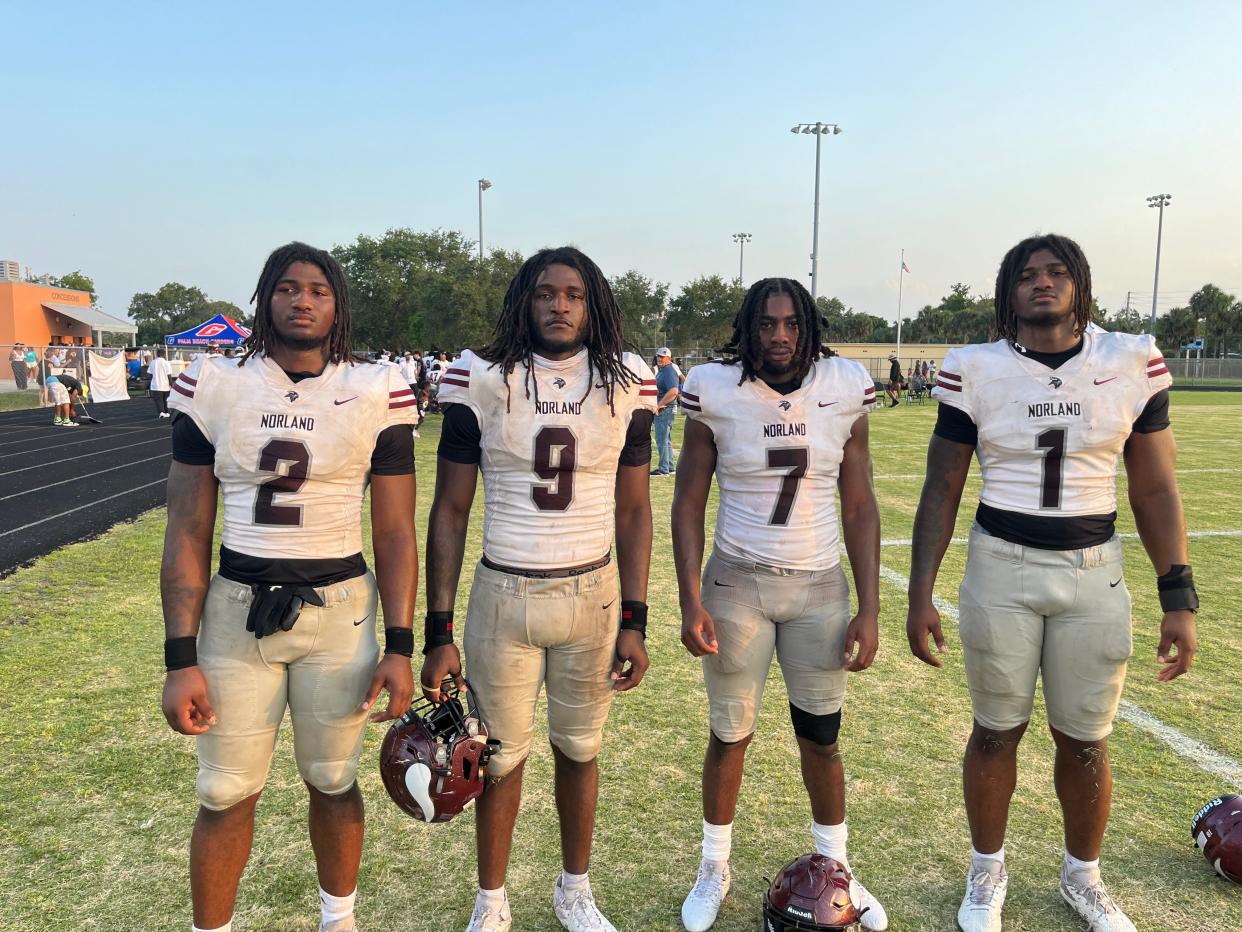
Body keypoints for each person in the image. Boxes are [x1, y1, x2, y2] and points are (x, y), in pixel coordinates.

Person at [906, 234, 1197, 932]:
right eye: (1027, 276)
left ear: (1081, 284)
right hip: (1000, 565)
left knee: (1087, 740)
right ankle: (986, 866)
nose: (1042, 284)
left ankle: (1082, 876)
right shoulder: (975, 368)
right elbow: (942, 486)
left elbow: (1154, 488)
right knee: (995, 731)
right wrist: (920, 592)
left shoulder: (1127, 359)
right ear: (1007, 292)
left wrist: (1178, 594)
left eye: (1056, 273)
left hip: (1094, 571)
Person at [160, 242, 419, 932]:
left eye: (318, 290)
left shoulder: (375, 388)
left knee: (334, 780)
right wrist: (178, 657)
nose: (301, 301)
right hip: (237, 608)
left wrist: (401, 644)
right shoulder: (217, 382)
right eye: (287, 288)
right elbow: (187, 528)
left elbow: (395, 532)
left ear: (338, 307)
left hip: (340, 612)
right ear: (264, 298)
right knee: (224, 792)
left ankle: (340, 921)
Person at [421, 246, 656, 932]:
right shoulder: (484, 375)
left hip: (595, 593)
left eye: (574, 294)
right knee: (497, 759)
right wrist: (437, 631)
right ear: (525, 300)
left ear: (594, 303)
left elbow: (636, 510)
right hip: (506, 592)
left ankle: (574, 889)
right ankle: (490, 901)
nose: (559, 305)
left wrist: (636, 617)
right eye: (546, 293)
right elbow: (450, 510)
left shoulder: (625, 379)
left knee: (581, 750)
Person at [672, 278, 887, 932]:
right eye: (767, 324)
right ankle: (715, 864)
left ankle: (836, 867)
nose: (780, 336)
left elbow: (859, 503)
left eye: (791, 323)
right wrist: (688, 598)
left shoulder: (844, 385)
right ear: (750, 327)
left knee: (821, 738)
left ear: (808, 326)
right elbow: (687, 501)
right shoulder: (716, 388)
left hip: (819, 586)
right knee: (729, 734)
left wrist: (871, 607)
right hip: (737, 583)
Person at [652, 347, 680, 476]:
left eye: (662, 357)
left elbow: (674, 391)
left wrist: (659, 405)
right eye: (658, 356)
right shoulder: (664, 370)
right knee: (666, 439)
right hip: (666, 408)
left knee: (661, 439)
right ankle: (669, 466)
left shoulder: (669, 371)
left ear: (669, 358)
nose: (659, 358)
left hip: (665, 409)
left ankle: (663, 468)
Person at [150, 347, 173, 419]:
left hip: (156, 385)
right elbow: (169, 375)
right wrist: (171, 384)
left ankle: (161, 412)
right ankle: (167, 412)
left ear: (157, 354)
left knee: (158, 400)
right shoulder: (166, 363)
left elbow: (150, 374)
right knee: (166, 400)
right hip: (165, 385)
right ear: (164, 354)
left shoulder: (153, 362)